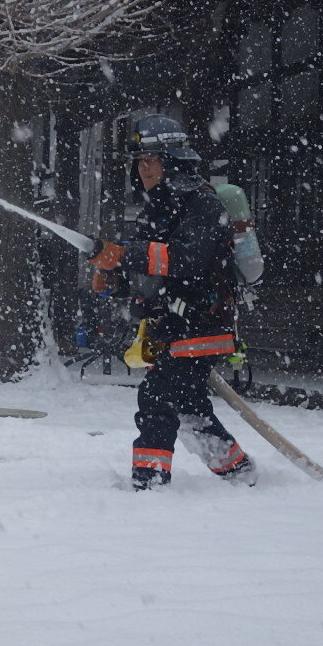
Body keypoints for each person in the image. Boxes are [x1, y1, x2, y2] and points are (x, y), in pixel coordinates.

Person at [87, 114, 255, 490]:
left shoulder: (202, 205)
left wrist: (125, 255)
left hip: (201, 321)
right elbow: (152, 273)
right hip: (173, 324)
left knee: (157, 399)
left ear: (173, 160)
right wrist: (114, 279)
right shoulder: (157, 209)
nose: (143, 169)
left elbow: (187, 261)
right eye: (140, 162)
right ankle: (237, 471)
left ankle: (148, 481)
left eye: (150, 160)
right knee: (190, 405)